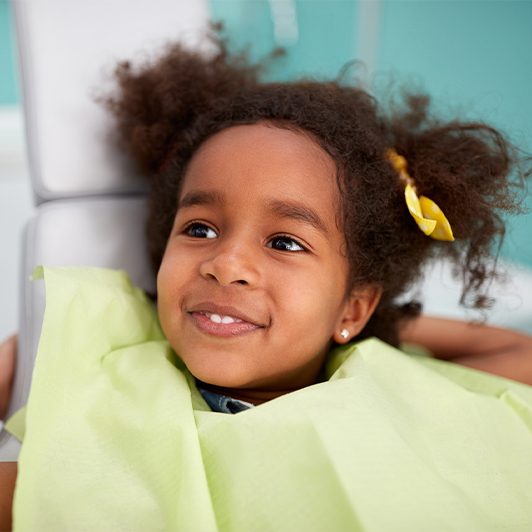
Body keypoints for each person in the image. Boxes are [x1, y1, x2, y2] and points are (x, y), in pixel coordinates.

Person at [1, 31, 532, 530]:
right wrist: (50, 349)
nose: (225, 264)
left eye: (284, 242)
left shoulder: (388, 387)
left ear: (354, 307)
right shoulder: (114, 366)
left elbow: (518, 352)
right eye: (200, 228)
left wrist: (374, 327)